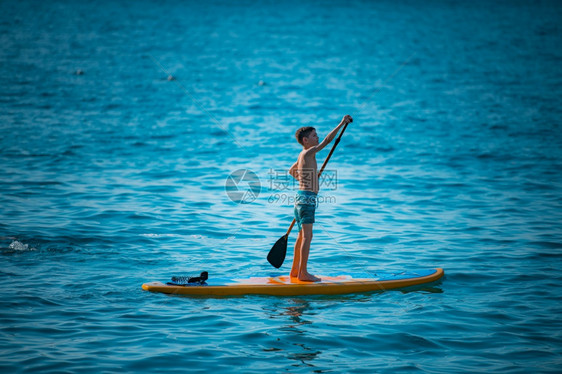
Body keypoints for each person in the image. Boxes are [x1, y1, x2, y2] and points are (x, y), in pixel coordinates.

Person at [288, 115, 353, 281]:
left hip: (300, 198)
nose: (317, 137)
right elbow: (327, 140)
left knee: (301, 236)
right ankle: (303, 273)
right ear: (305, 140)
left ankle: (295, 271)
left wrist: (307, 180)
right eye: (314, 135)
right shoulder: (309, 152)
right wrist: (341, 123)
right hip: (307, 199)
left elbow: (291, 171)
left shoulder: (302, 155)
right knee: (307, 237)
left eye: (317, 135)